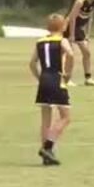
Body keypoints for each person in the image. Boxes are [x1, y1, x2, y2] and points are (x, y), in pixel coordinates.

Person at [31, 13, 74, 166]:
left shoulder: (40, 41)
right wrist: (68, 74)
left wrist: (40, 78)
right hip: (57, 78)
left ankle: (46, 156)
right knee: (66, 117)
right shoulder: (62, 40)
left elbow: (32, 63)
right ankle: (48, 147)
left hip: (44, 79)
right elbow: (70, 54)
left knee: (45, 120)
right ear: (63, 27)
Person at [63, 0, 94, 87]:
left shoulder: (93, 2)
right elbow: (72, 18)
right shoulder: (81, 1)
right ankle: (67, 80)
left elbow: (90, 18)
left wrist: (88, 34)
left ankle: (88, 79)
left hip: (78, 28)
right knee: (69, 54)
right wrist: (71, 35)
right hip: (68, 26)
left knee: (87, 53)